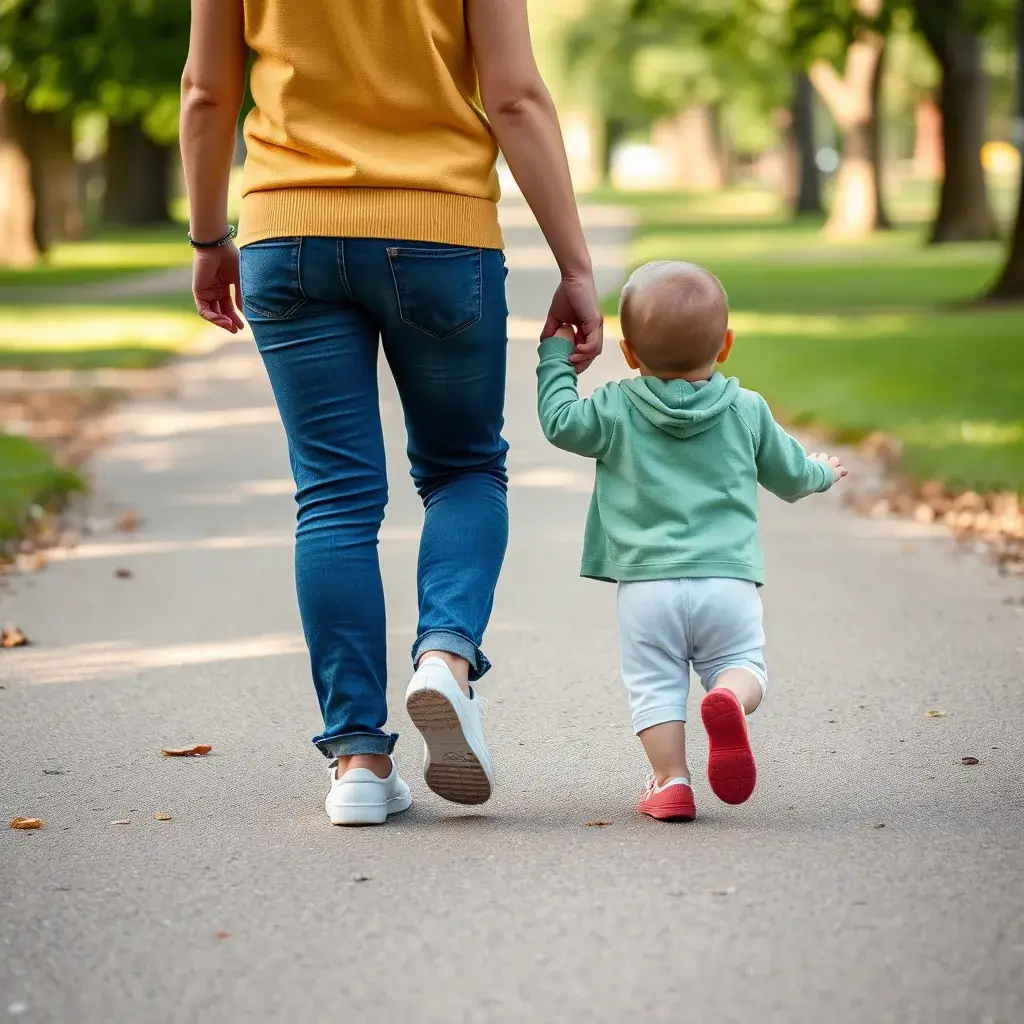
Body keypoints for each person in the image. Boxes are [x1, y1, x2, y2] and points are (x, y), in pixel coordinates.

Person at [179, 0, 602, 825]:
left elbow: (205, 91)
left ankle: (359, 763)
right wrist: (575, 264)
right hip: (442, 233)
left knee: (334, 497)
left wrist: (207, 238)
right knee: (464, 470)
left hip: (287, 232)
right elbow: (515, 96)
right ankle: (445, 658)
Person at [536, 260, 847, 821]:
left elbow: (559, 421)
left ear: (629, 354)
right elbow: (793, 478)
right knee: (742, 663)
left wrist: (556, 359)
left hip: (645, 588)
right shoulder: (747, 410)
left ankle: (670, 781)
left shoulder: (614, 407)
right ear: (725, 345)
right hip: (726, 582)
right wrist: (821, 470)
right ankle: (727, 697)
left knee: (655, 687)